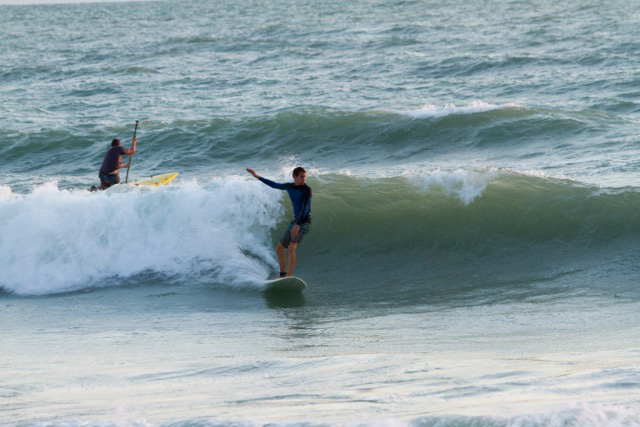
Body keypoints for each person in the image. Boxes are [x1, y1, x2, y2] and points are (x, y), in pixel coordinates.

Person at [247, 167, 312, 278]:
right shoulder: (289, 186)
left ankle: (289, 276)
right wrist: (256, 176)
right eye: (302, 176)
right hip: (296, 221)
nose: (304, 179)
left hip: (304, 221)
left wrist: (297, 224)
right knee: (279, 249)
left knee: (291, 247)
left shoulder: (307, 190)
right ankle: (283, 275)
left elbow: (304, 208)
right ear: (295, 177)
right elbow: (273, 184)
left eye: (305, 177)